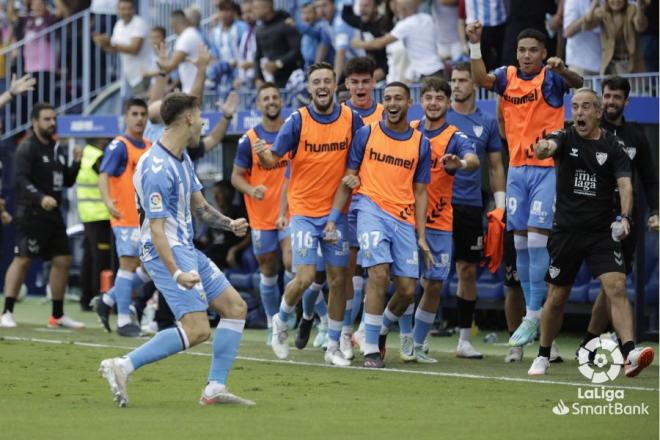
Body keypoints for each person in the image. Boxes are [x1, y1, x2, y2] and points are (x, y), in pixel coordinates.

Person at [99, 92, 253, 407]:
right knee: (197, 330)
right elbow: (156, 230)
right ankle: (123, 365)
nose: (202, 122)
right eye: (200, 115)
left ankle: (214, 388)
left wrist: (229, 224)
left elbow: (200, 207)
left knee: (235, 309)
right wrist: (177, 272)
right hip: (165, 252)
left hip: (186, 248)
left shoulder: (180, 157)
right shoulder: (156, 167)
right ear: (188, 118)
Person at [467, 23, 583, 347]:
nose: (527, 55)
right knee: (518, 244)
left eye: (533, 50)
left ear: (544, 53)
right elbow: (480, 80)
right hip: (516, 168)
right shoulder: (507, 77)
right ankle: (532, 316)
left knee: (536, 239)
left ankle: (533, 315)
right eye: (522, 50)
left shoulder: (552, 77)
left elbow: (581, 83)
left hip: (547, 168)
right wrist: (475, 45)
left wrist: (565, 69)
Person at [527, 88, 655, 378]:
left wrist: (624, 217)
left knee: (617, 286)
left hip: (601, 232)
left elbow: (626, 185)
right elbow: (547, 146)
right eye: (576, 107)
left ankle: (630, 352)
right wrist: (542, 148)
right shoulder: (565, 136)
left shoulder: (614, 147)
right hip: (566, 231)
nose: (580, 112)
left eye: (586, 107)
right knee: (557, 297)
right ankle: (543, 354)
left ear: (598, 113)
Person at [254, 62, 363, 366]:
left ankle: (332, 347)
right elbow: (274, 159)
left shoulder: (351, 120)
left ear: (335, 84)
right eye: (317, 81)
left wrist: (355, 178)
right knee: (303, 277)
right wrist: (264, 155)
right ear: (309, 88)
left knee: (339, 279)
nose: (323, 86)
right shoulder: (296, 121)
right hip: (302, 211)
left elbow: (356, 163)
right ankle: (281, 321)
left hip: (335, 212)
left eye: (327, 80)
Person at [325, 81, 432, 368]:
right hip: (369, 209)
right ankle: (371, 349)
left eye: (399, 98)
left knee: (409, 289)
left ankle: (375, 330)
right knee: (379, 273)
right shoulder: (366, 133)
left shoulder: (421, 143)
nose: (393, 103)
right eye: (388, 99)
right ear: (383, 103)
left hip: (403, 217)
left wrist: (421, 235)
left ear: (409, 104)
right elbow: (349, 176)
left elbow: (421, 192)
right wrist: (334, 219)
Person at [395, 77, 478, 363]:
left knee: (434, 284)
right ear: (421, 102)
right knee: (406, 282)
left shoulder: (455, 135)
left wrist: (461, 164)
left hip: (440, 221)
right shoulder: (410, 131)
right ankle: (405, 338)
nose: (433, 103)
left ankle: (418, 343)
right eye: (428, 97)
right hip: (407, 219)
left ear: (447, 102)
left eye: (439, 98)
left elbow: (473, 159)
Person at [576, 76, 659, 357]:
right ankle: (550, 347)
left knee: (614, 283)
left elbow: (649, 179)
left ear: (627, 101)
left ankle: (590, 343)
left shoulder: (636, 136)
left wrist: (656, 211)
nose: (610, 102)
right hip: (589, 218)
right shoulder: (587, 131)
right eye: (607, 96)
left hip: (624, 221)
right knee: (610, 283)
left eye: (616, 97)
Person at [0, 103, 84, 329]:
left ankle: (57, 315)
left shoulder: (55, 147)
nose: (52, 123)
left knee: (63, 260)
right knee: (24, 259)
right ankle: (6, 311)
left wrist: (76, 163)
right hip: (31, 212)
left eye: (53, 119)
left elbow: (66, 181)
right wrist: (40, 198)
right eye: (47, 119)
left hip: (53, 213)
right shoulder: (27, 148)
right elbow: (20, 179)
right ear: (35, 122)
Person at [446, 62, 506, 359]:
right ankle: (410, 335)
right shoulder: (439, 116)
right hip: (437, 204)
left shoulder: (488, 121)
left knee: (467, 270)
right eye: (453, 80)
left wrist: (501, 204)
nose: (455, 85)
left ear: (474, 85)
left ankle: (464, 340)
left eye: (461, 80)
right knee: (424, 273)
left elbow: (495, 165)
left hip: (471, 205)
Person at [231, 83, 291, 343]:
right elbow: (235, 177)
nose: (270, 101)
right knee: (268, 270)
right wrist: (251, 187)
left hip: (290, 211)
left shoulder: (291, 132)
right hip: (261, 216)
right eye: (265, 98)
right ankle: (271, 322)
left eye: (274, 96)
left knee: (293, 265)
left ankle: (288, 319)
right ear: (258, 104)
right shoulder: (249, 139)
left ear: (281, 101)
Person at [339, 56, 384, 358]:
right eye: (354, 81)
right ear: (346, 85)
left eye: (365, 81)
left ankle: (370, 332)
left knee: (380, 271)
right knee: (349, 269)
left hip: (382, 200)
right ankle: (343, 333)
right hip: (349, 199)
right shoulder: (339, 115)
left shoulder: (385, 114)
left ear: (373, 83)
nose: (360, 87)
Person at [96, 98, 152, 337]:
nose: (139, 118)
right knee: (128, 265)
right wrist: (108, 202)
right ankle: (122, 321)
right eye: (134, 114)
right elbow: (103, 175)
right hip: (126, 216)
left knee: (150, 268)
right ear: (126, 117)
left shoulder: (149, 146)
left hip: (146, 220)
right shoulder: (119, 145)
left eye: (142, 114)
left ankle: (107, 299)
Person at [351, 0, 444, 80]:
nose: (396, 10)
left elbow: (379, 43)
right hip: (438, 69)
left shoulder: (405, 25)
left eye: (398, 7)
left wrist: (359, 44)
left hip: (426, 74)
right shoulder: (427, 18)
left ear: (403, 9)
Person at [76, 137, 113, 311]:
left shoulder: (87, 153)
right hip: (100, 215)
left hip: (88, 214)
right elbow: (110, 181)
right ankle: (100, 299)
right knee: (101, 260)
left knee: (89, 258)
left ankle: (86, 298)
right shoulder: (98, 156)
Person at [92, 0, 152, 99]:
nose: (126, 12)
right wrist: (102, 43)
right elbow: (111, 50)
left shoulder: (139, 23)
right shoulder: (118, 24)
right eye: (123, 9)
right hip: (130, 77)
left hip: (144, 75)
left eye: (129, 8)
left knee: (142, 110)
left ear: (134, 9)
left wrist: (110, 44)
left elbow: (134, 49)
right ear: (117, 10)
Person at [253, 0, 302, 88]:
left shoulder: (286, 24)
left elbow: (297, 51)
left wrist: (278, 64)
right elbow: (257, 56)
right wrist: (258, 78)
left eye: (256, 8)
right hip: (269, 81)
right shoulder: (259, 30)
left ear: (267, 8)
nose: (254, 11)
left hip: (290, 79)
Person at [156, 10, 206, 94]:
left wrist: (160, 63)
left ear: (174, 24)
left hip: (192, 90)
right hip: (193, 87)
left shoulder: (186, 37)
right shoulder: (191, 34)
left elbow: (170, 66)